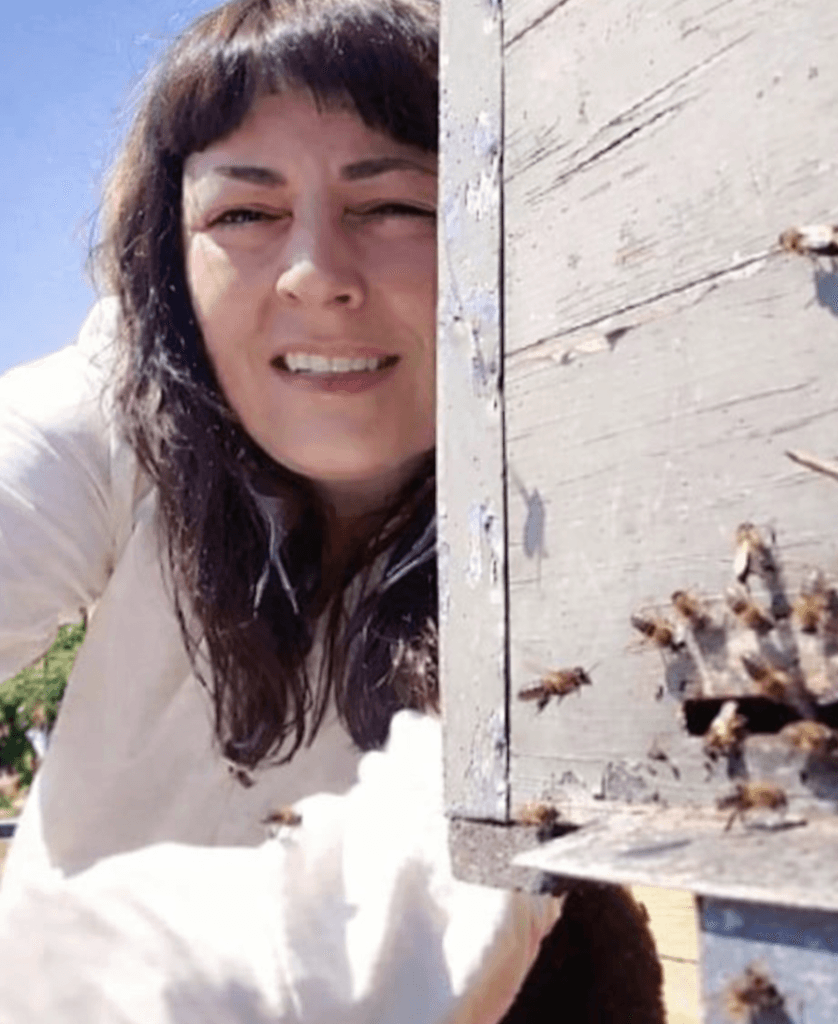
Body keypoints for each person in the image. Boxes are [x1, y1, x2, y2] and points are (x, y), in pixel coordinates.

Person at [0, 1, 564, 1020]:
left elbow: (414, 956)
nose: (315, 276)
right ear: (171, 266)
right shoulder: (110, 412)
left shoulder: (571, 532)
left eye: (395, 205)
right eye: (244, 215)